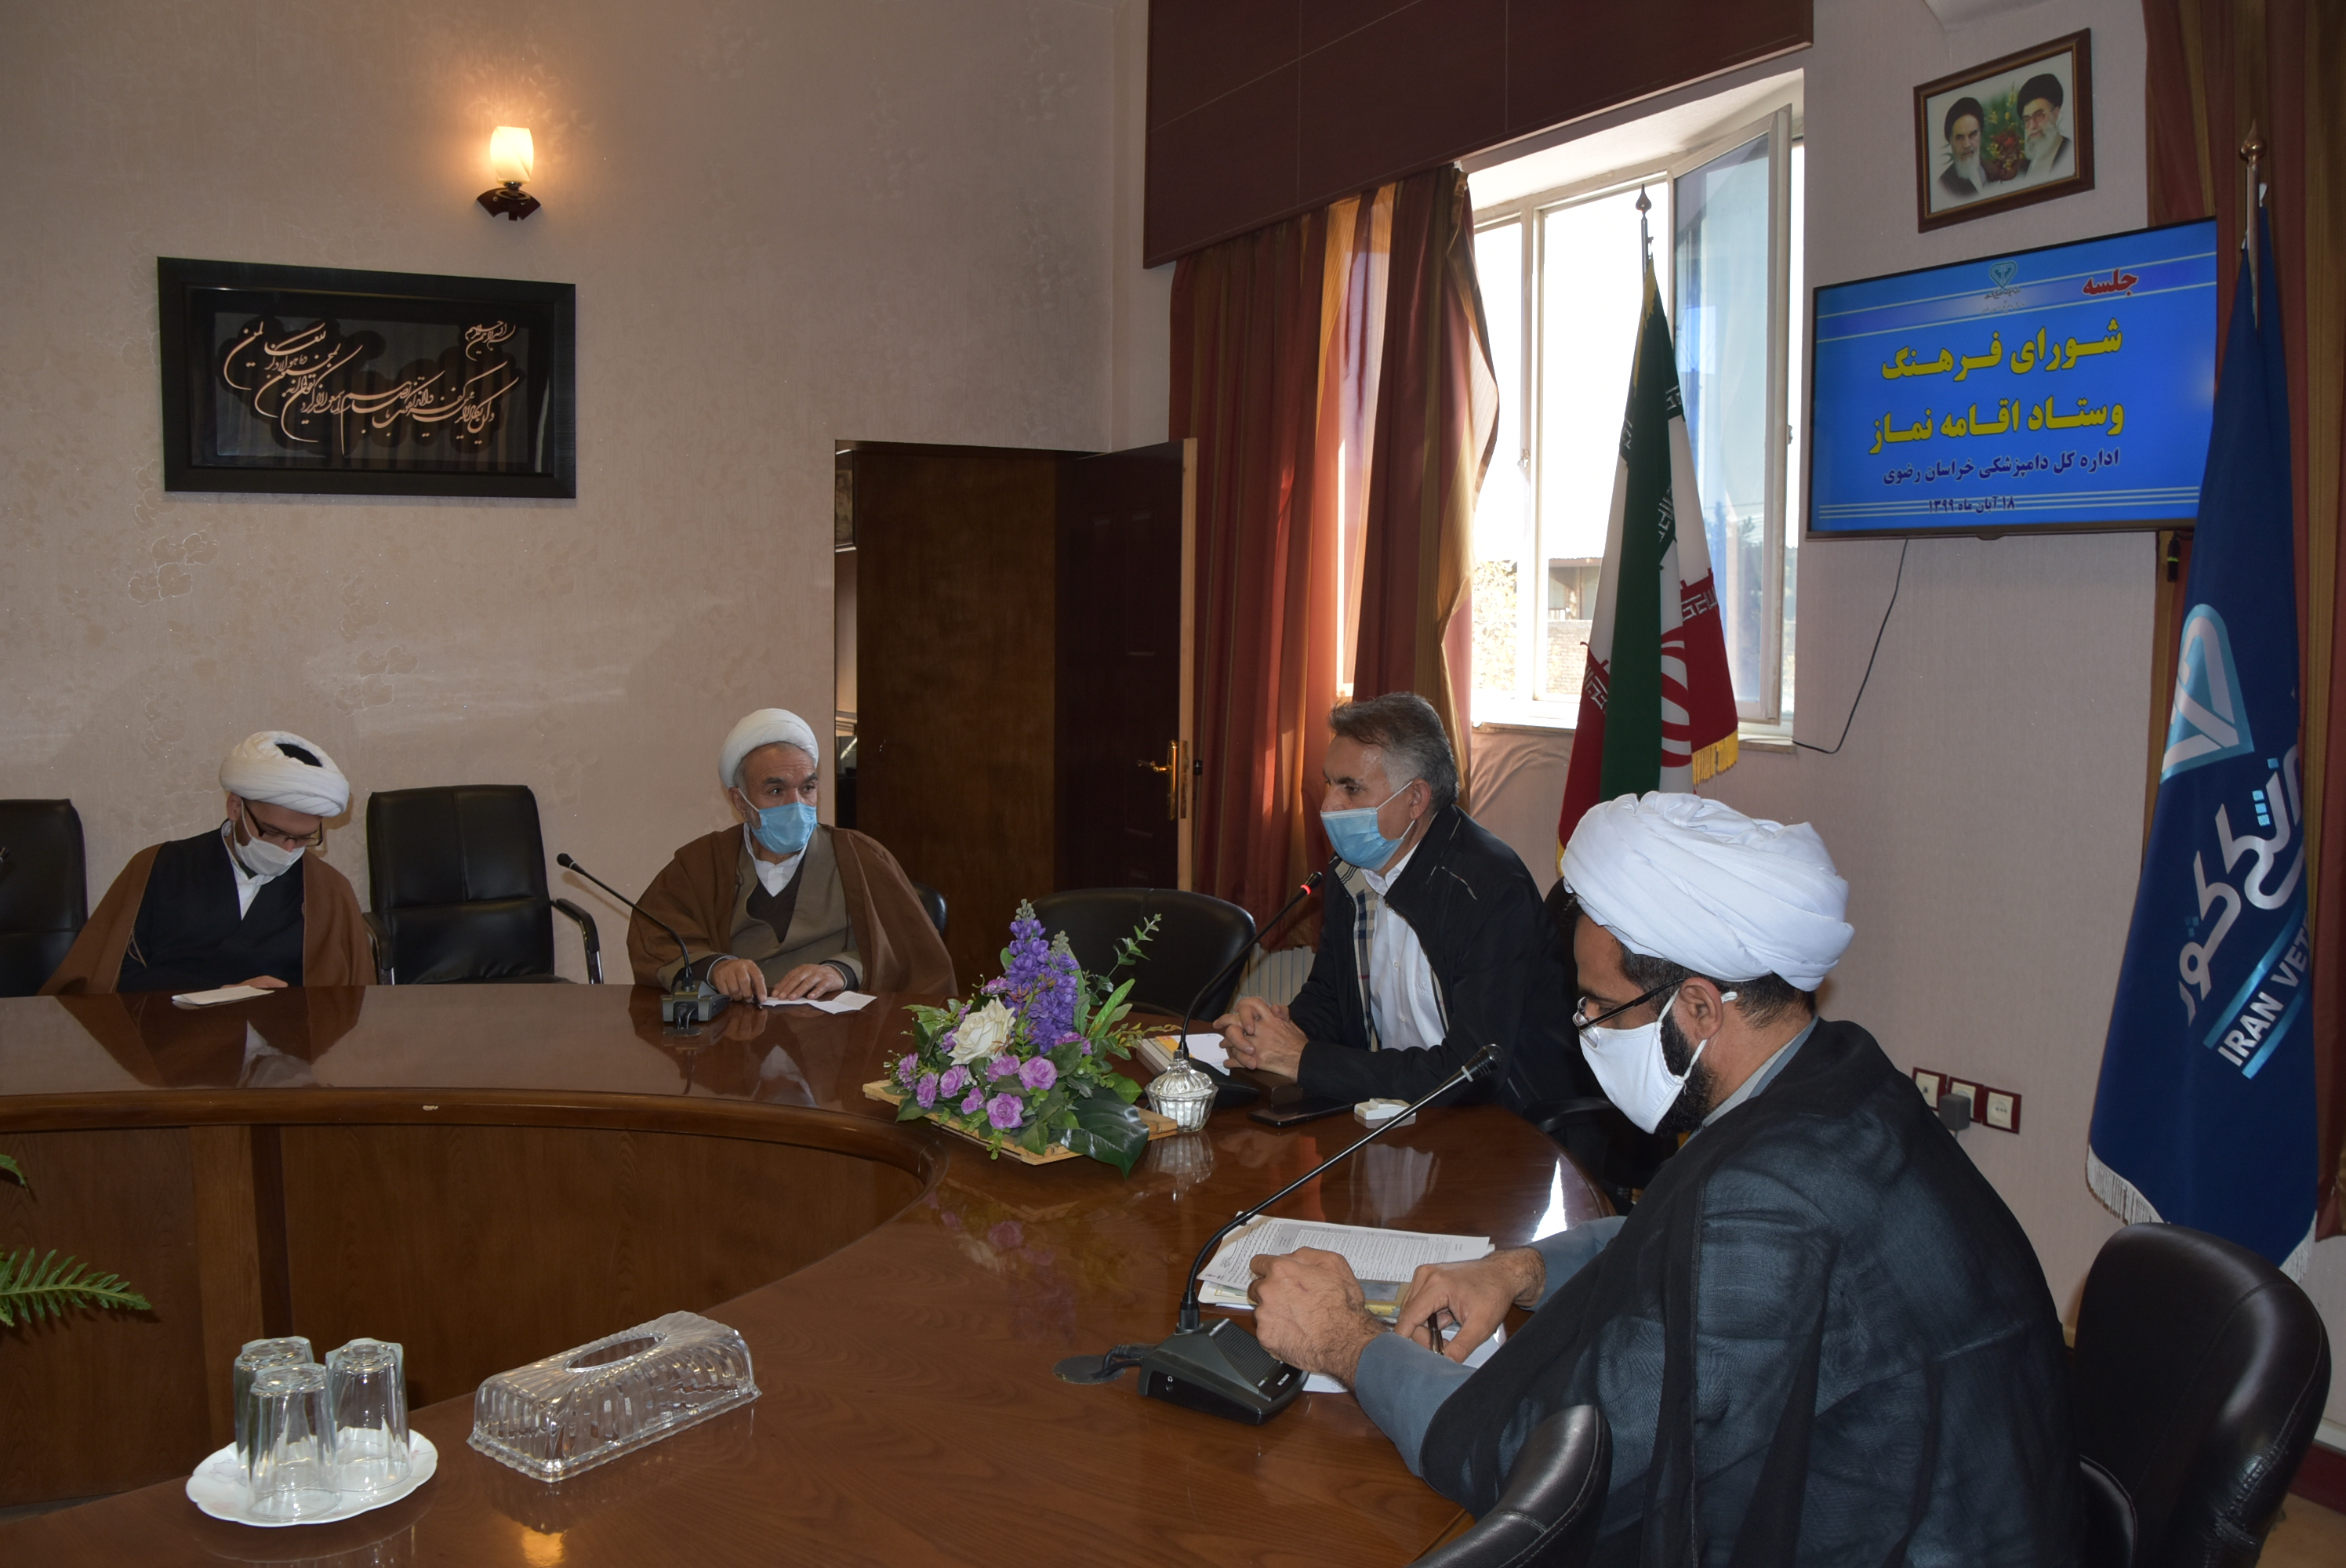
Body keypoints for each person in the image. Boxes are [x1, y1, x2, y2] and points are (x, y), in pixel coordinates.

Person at [1245, 793, 2080, 1564]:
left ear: (1700, 1008)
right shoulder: (1837, 1076)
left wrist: (1345, 1342)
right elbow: (1678, 1226)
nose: (1582, 1028)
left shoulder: (1770, 1201)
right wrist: (1519, 1269)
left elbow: (1533, 1465)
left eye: (1598, 1007)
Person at [1211, 691, 1589, 1113]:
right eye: (1329, 783)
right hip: (1396, 1109)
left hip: (1500, 1124)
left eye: (1351, 788)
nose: (1329, 805)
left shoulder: (1489, 891)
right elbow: (1331, 999)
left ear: (1415, 799)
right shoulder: (1350, 872)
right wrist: (1274, 1033)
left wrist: (1303, 1059)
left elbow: (1473, 1071)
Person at [626, 708, 955, 999]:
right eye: (776, 790)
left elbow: (911, 952)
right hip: (735, 1030)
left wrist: (844, 970)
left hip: (840, 1032)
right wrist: (714, 967)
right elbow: (655, 936)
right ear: (740, 801)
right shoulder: (702, 863)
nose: (797, 804)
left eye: (807, 788)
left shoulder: (861, 857)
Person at [43, 731, 373, 995]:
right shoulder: (159, 867)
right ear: (235, 808)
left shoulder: (328, 891)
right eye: (272, 833)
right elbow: (111, 975)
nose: (287, 849)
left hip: (286, 1049)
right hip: (169, 1041)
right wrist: (214, 994)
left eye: (303, 839)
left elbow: (345, 1003)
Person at [2014, 72, 2073, 183]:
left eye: (2038, 116)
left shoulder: (2071, 154)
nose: (2032, 126)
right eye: (2027, 120)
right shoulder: (2022, 168)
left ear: (2055, 114)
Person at [1937, 95, 1989, 201]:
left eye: (1973, 135)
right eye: (1960, 138)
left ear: (1981, 135)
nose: (1967, 145)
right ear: (1950, 141)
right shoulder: (1945, 186)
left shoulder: (1992, 169)